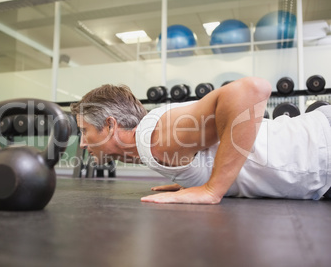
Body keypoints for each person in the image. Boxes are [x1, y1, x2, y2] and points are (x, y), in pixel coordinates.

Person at [70, 77, 331, 204]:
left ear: (110, 126)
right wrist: (196, 180)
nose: (82, 143)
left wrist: (212, 189)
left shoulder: (155, 138)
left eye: (84, 130)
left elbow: (251, 90)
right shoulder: (155, 143)